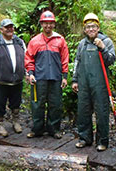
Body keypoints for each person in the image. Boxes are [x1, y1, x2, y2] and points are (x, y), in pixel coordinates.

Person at [72, 13, 116, 151]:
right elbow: (77, 62)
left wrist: (103, 48)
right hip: (84, 83)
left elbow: (111, 60)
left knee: (102, 112)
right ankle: (85, 138)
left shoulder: (106, 41)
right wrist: (75, 80)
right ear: (84, 29)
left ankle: (102, 141)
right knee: (83, 111)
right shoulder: (82, 44)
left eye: (94, 26)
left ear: (98, 28)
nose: (91, 29)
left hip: (100, 84)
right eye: (88, 27)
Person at [25, 10, 69, 139]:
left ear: (54, 24)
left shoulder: (60, 40)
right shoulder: (34, 41)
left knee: (55, 104)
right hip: (39, 78)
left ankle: (54, 129)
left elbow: (65, 59)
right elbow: (29, 59)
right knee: (37, 104)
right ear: (41, 24)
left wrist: (65, 77)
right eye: (45, 23)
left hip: (55, 78)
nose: (48, 26)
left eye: (50, 23)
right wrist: (30, 73)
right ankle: (37, 129)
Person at [0, 19, 26, 137]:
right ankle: (0, 124)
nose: (10, 29)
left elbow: (26, 59)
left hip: (17, 81)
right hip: (1, 81)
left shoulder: (19, 42)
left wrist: (28, 74)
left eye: (11, 27)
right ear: (1, 29)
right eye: (7, 27)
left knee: (16, 103)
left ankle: (16, 121)